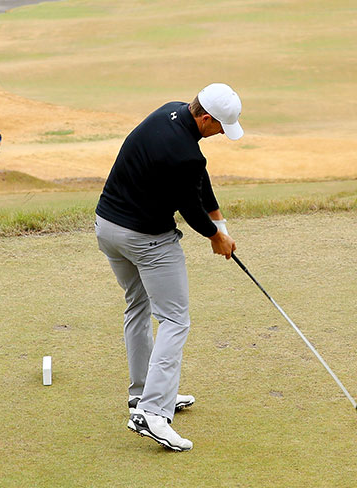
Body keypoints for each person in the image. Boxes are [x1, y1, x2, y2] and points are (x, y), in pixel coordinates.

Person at [96, 83, 243, 452]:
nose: (221, 133)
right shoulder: (183, 153)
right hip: (145, 239)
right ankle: (153, 412)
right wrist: (215, 236)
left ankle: (142, 395)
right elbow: (189, 208)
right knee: (175, 319)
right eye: (221, 127)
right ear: (206, 118)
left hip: (108, 228)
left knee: (138, 307)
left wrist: (219, 220)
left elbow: (198, 177)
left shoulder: (171, 111)